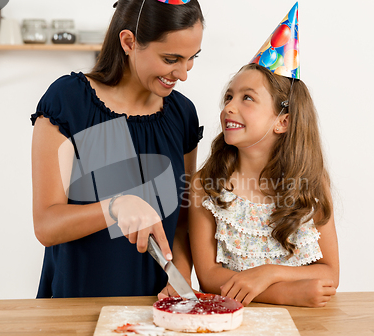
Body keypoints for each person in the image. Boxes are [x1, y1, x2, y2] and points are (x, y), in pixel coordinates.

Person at [30, 0, 204, 298]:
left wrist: (181, 276)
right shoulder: (71, 102)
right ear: (128, 41)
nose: (183, 73)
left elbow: (183, 221)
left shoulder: (181, 115)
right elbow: (47, 225)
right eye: (171, 58)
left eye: (191, 58)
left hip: (155, 304)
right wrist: (116, 207)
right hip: (79, 302)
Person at [188, 62, 339, 307]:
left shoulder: (312, 184)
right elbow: (208, 277)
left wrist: (269, 273)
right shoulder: (205, 185)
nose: (229, 107)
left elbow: (330, 273)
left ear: (283, 122)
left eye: (247, 97)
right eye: (229, 97)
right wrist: (284, 294)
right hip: (234, 321)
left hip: (306, 326)